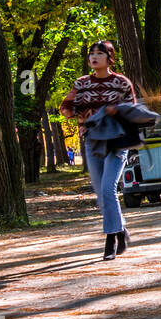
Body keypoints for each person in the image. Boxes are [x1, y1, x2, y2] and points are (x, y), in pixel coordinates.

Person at [59, 41, 138, 261]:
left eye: (99, 53)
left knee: (108, 189)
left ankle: (111, 238)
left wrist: (114, 112)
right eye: (91, 54)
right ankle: (121, 231)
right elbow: (65, 108)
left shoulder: (121, 83)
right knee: (102, 194)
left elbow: (132, 111)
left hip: (117, 142)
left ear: (109, 57)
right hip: (92, 141)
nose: (94, 57)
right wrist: (80, 111)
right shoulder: (82, 83)